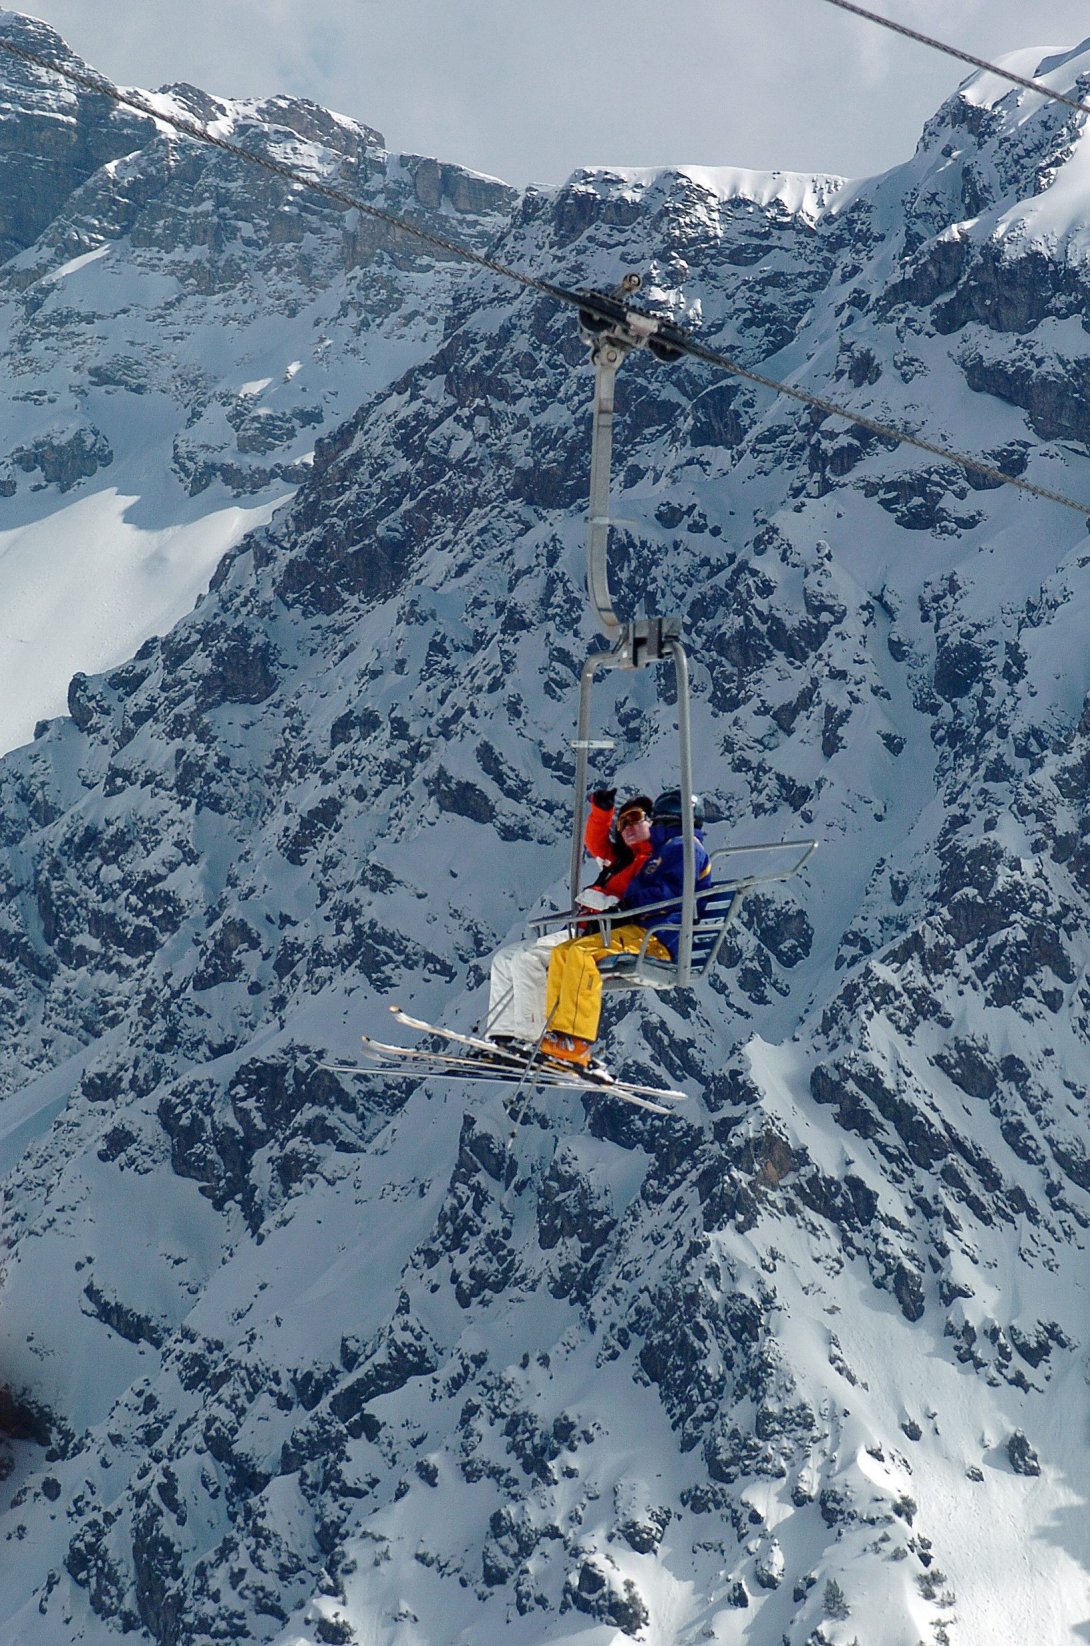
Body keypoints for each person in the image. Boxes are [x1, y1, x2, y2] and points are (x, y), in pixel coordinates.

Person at [539, 790, 711, 1067]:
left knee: (582, 954)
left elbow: (668, 894)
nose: (652, 826)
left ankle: (577, 1042)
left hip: (660, 938)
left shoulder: (684, 848)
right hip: (641, 930)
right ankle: (558, 1034)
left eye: (656, 821)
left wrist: (625, 908)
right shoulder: (667, 850)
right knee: (564, 951)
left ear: (668, 820)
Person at [484, 792, 655, 1047]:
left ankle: (532, 1037)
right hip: (586, 929)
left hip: (607, 934)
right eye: (622, 823)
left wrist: (605, 902)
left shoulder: (654, 861)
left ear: (652, 821)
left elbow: (640, 902)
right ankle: (503, 1036)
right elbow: (595, 844)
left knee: (527, 960)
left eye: (635, 819)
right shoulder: (620, 859)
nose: (628, 827)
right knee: (503, 959)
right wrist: (602, 811)